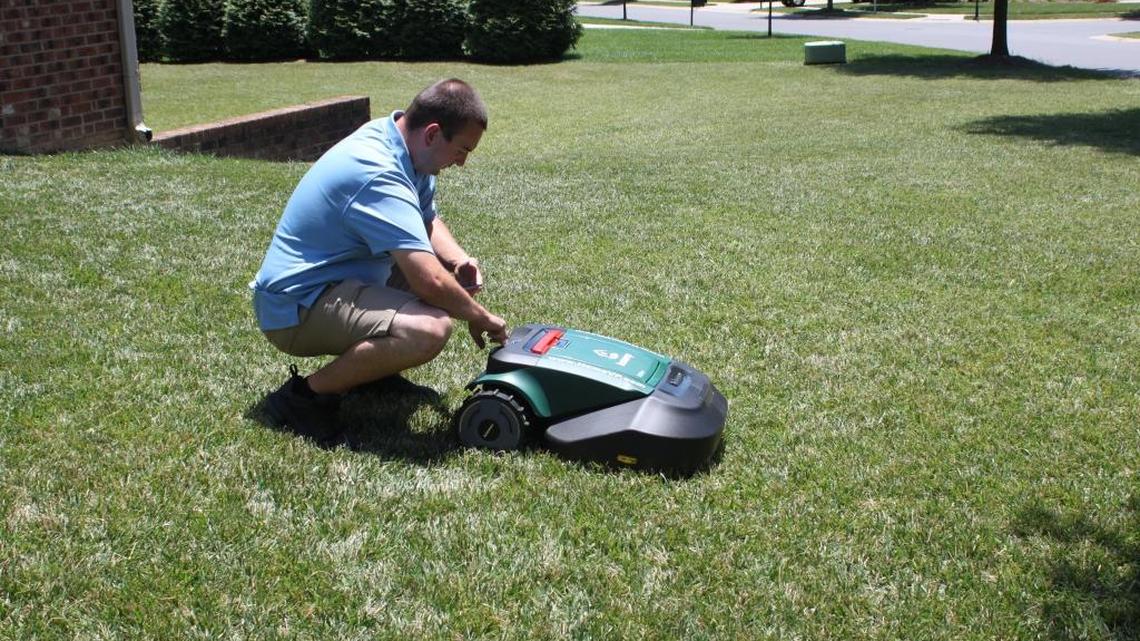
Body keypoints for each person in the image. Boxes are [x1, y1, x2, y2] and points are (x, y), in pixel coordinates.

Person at [249, 78, 508, 444]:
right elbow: (429, 282)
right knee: (430, 328)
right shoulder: (377, 171)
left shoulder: (405, 147)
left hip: (334, 284)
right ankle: (302, 398)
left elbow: (425, 218)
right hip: (295, 307)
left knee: (440, 282)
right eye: (462, 149)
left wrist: (458, 259)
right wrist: (480, 316)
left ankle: (373, 375)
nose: (462, 162)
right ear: (433, 133)